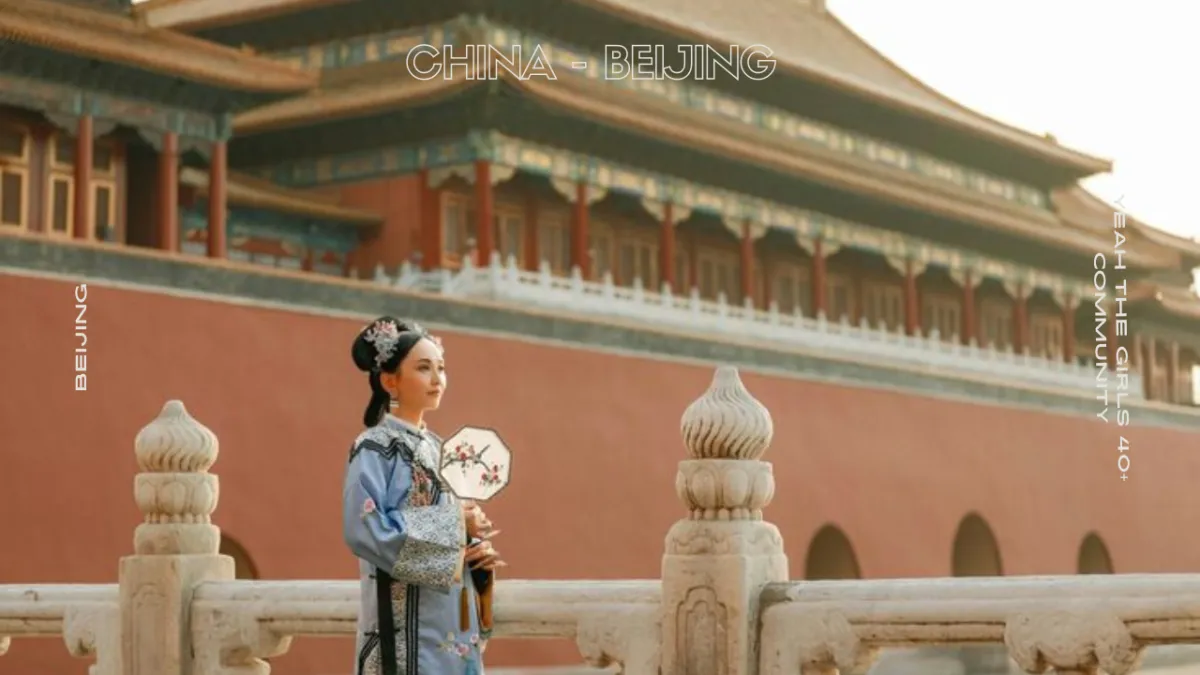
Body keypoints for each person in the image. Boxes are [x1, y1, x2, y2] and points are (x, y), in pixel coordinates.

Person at [344, 316, 505, 675]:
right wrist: (454, 522)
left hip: (450, 627)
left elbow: (452, 536)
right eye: (423, 368)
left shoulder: (440, 449)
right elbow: (364, 528)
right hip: (400, 637)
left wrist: (473, 550)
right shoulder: (374, 448)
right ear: (390, 381)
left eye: (441, 368)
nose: (437, 379)